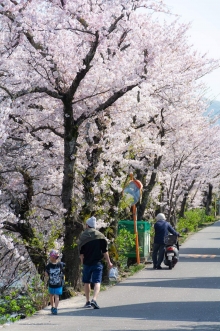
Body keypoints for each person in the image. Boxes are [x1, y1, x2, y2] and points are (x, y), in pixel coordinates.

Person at [78, 216, 113, 309]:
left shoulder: (83, 236)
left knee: (86, 282)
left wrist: (82, 262)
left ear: (87, 225)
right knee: (97, 281)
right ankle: (94, 299)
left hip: (87, 263)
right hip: (97, 262)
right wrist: (109, 262)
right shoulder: (100, 236)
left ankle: (88, 301)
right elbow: (105, 251)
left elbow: (81, 253)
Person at [45, 249, 65, 315]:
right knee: (56, 296)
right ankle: (55, 308)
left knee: (52, 296)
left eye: (50, 256)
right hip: (58, 284)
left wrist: (46, 274)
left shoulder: (48, 266)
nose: (49, 257)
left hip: (52, 283)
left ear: (53, 257)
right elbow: (63, 270)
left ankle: (53, 307)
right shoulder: (60, 264)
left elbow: (46, 274)